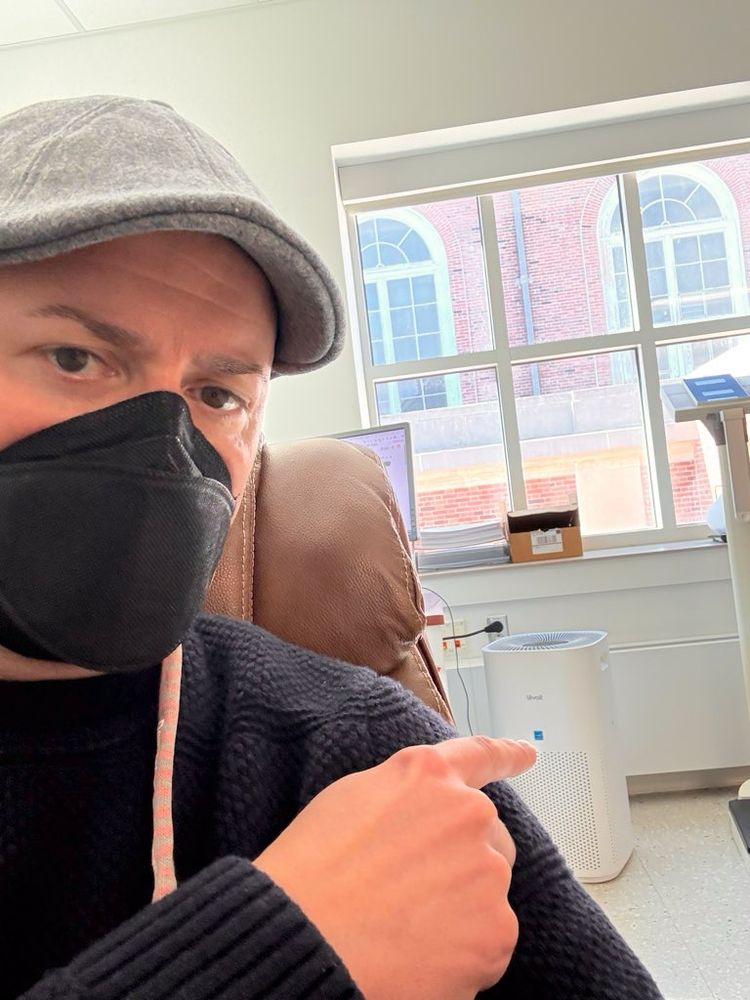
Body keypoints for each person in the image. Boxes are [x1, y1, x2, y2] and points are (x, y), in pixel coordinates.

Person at [0, 95, 663, 1000]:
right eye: (76, 358)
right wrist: (284, 947)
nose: (160, 445)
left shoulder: (348, 753)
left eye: (219, 394)